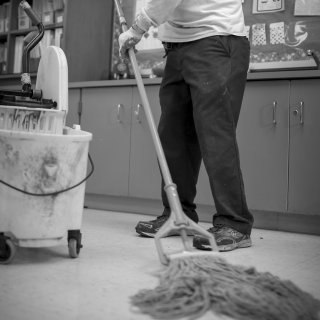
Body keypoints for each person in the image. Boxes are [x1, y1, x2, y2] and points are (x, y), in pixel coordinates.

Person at [118, 0, 254, 252]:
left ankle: (235, 223)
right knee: (174, 136)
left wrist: (137, 29)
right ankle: (179, 213)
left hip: (216, 40)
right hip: (177, 48)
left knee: (216, 138)